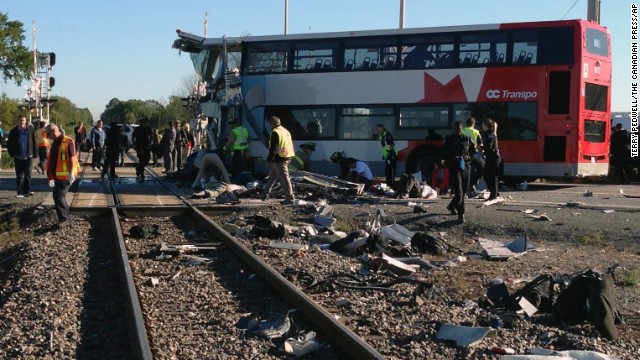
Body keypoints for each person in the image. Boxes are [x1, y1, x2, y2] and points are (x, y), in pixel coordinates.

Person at [439, 121, 476, 224]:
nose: (457, 129)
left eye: (459, 128)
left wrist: (467, 157)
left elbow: (473, 152)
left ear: (462, 128)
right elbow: (442, 152)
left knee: (463, 192)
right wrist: (449, 159)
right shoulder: (449, 139)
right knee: (459, 192)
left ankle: (451, 206)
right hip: (454, 167)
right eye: (456, 128)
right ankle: (461, 214)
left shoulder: (467, 139)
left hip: (465, 167)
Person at [45, 123, 79, 228]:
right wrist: (50, 176)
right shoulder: (55, 142)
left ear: (54, 131)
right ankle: (66, 218)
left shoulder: (67, 141)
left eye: (48, 134)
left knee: (58, 195)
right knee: (60, 195)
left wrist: (70, 173)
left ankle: (64, 219)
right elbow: (53, 160)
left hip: (66, 176)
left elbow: (72, 158)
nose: (47, 136)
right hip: (58, 175)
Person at [261, 116, 295, 205]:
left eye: (270, 124)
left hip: (280, 158)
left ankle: (289, 198)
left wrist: (268, 160)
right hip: (288, 156)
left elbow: (272, 148)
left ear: (272, 124)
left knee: (284, 178)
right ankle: (264, 193)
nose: (269, 126)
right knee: (272, 176)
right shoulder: (285, 131)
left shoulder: (275, 133)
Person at [7, 115, 37, 197]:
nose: (22, 122)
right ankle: (20, 192)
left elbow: (34, 142)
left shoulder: (30, 130)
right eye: (20, 120)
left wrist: (35, 153)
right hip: (18, 156)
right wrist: (11, 153)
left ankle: (27, 191)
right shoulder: (13, 131)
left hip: (28, 155)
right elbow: (9, 143)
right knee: (19, 175)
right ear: (18, 121)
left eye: (23, 120)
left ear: (25, 121)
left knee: (28, 174)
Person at [461, 118, 484, 194]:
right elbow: (480, 144)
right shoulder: (476, 131)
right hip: (474, 154)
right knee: (482, 168)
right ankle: (472, 184)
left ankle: (463, 187)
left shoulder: (462, 131)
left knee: (464, 170)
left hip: (464, 154)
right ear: (473, 124)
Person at [481, 118, 501, 200]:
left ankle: (493, 194)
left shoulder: (489, 134)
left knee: (490, 176)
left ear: (486, 125)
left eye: (483, 124)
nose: (482, 126)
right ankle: (494, 193)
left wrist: (480, 147)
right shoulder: (491, 133)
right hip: (492, 157)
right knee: (491, 176)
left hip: (492, 157)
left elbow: (488, 146)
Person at [376, 124, 397, 189]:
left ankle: (392, 184)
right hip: (387, 155)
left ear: (382, 128)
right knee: (387, 170)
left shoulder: (387, 135)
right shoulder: (382, 135)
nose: (377, 130)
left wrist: (388, 154)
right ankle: (389, 184)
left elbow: (392, 145)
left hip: (392, 155)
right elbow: (384, 146)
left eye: (378, 129)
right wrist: (384, 155)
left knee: (391, 170)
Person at [132, 117, 153, 182]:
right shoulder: (138, 129)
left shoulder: (148, 128)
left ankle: (138, 168)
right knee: (141, 159)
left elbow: (151, 135)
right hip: (139, 146)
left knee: (147, 158)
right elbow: (133, 136)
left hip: (146, 146)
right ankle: (141, 173)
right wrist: (134, 144)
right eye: (145, 122)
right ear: (142, 123)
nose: (146, 124)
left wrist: (151, 143)